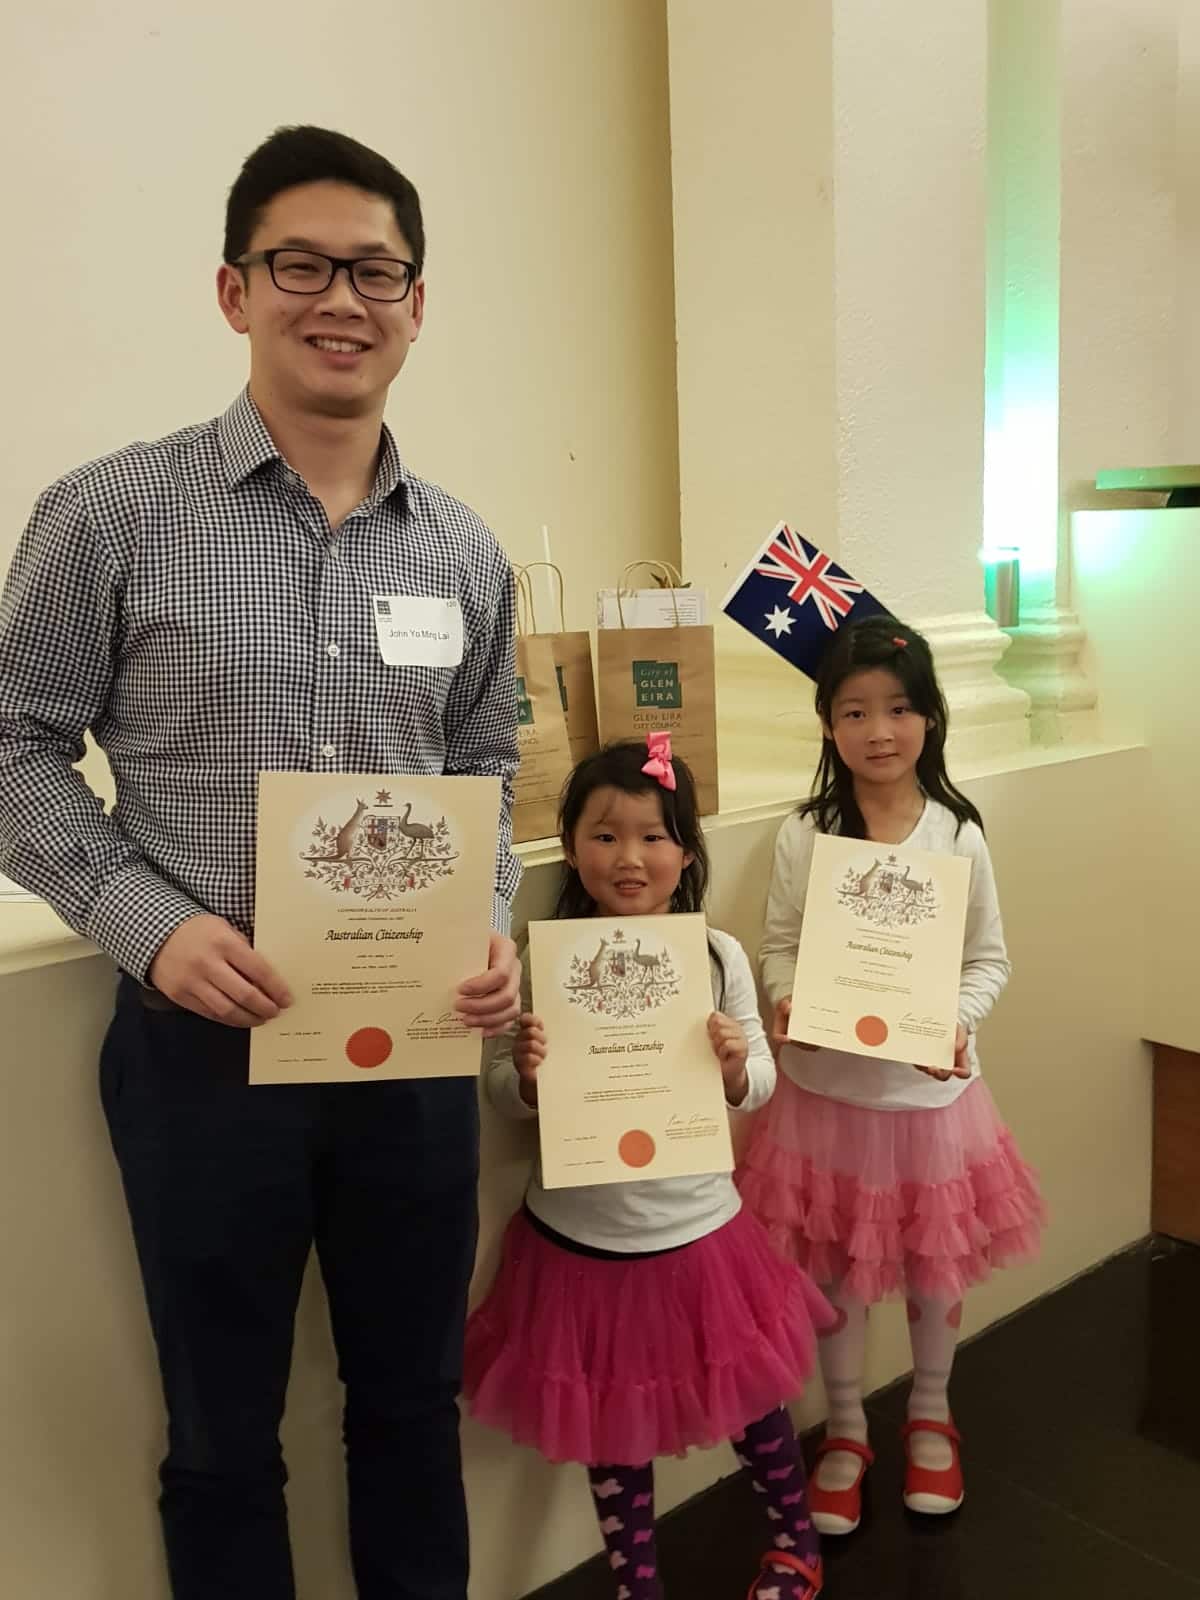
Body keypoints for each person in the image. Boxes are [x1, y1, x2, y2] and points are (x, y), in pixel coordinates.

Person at [0, 125, 522, 1600]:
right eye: (302, 265)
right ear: (235, 290)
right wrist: (149, 926)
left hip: (413, 1053)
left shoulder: (463, 552)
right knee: (223, 1437)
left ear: (417, 305)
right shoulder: (112, 512)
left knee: (412, 1410)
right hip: (203, 1050)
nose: (341, 299)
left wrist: (486, 918)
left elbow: (485, 767)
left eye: (376, 271)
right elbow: (12, 740)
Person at [464, 737, 834, 1600]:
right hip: (577, 1243)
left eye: (653, 836)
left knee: (755, 1409)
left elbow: (761, 1083)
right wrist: (528, 1075)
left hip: (699, 1236)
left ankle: (796, 1543)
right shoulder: (540, 957)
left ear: (687, 852)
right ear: (570, 847)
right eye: (605, 835)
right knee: (611, 1427)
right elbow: (502, 1096)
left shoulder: (717, 956)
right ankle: (637, 1584)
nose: (629, 858)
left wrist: (735, 1064)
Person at [738, 615, 1045, 1533]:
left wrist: (954, 1021)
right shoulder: (805, 834)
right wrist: (787, 999)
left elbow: (988, 960)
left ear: (930, 718)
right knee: (836, 1271)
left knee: (932, 1266)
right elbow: (780, 946)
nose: (879, 730)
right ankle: (844, 1428)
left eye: (900, 709)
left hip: (929, 1099)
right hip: (827, 1097)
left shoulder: (958, 834)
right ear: (828, 724)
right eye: (855, 711)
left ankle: (930, 1414)